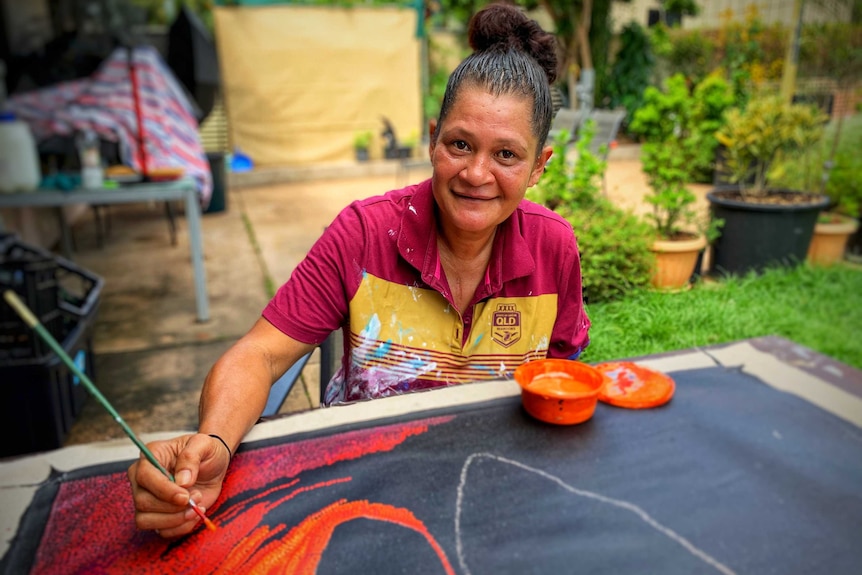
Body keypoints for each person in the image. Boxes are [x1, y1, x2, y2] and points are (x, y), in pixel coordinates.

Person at [128, 1, 590, 538]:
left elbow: (563, 378)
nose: (476, 173)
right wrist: (216, 442)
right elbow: (258, 353)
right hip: (365, 494)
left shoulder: (554, 247)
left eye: (506, 155)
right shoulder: (364, 234)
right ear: (433, 138)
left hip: (497, 491)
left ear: (539, 166)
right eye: (459, 144)